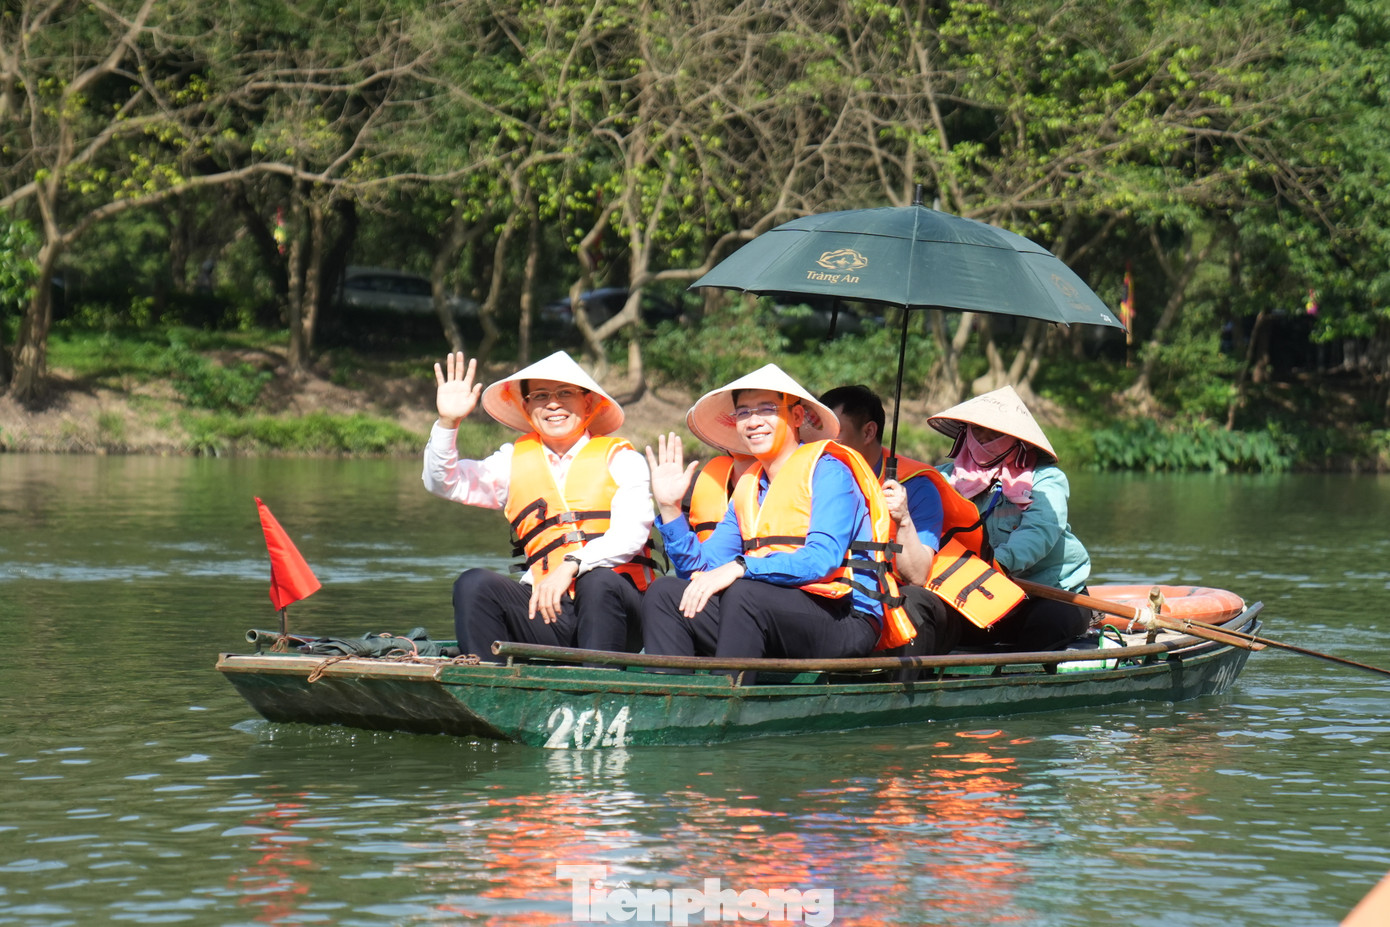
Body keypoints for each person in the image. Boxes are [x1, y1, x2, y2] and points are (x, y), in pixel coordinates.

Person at [642, 364, 914, 678]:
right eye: (743, 412)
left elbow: (821, 561)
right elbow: (700, 571)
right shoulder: (748, 486)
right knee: (664, 594)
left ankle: (721, 709)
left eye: (767, 409)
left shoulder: (830, 473)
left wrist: (743, 567)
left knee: (743, 593)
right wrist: (670, 509)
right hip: (769, 612)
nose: (753, 421)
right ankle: (668, 703)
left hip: (844, 619)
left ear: (797, 417)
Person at [422, 350, 658, 662]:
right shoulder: (510, 461)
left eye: (565, 394)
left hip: (619, 611)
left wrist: (571, 565)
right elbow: (442, 481)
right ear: (526, 407)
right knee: (474, 584)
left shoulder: (624, 459)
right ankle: (490, 687)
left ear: (588, 403)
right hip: (549, 608)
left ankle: (595, 690)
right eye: (540, 396)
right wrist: (448, 422)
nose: (553, 404)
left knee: (597, 581)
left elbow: (631, 534)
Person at [928, 385, 1093, 652]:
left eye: (994, 433)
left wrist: (997, 564)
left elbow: (1039, 531)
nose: (982, 439)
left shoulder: (1045, 479)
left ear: (1015, 439)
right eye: (977, 430)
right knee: (934, 622)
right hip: (976, 594)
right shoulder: (942, 479)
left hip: (1047, 591)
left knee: (1046, 626)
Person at [817, 384, 962, 656]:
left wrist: (903, 519)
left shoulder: (917, 487)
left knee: (913, 602)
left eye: (833, 434)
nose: (823, 445)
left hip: (905, 596)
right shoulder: (812, 474)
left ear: (869, 432)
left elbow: (917, 575)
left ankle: (897, 692)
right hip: (840, 587)